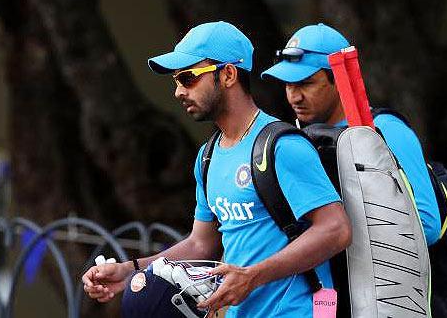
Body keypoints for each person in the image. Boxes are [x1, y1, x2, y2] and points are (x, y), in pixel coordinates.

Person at [82, 21, 351, 318]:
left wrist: (253, 276)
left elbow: (335, 229)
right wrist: (129, 269)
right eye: (175, 81)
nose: (178, 92)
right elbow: (200, 245)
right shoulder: (207, 156)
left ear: (228, 74)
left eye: (187, 78)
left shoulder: (281, 146)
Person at [261, 23, 441, 246]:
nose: (294, 97)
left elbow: (428, 225)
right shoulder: (299, 136)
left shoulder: (387, 129)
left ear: (339, 79)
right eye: (288, 85)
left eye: (305, 84)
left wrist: (334, 232)